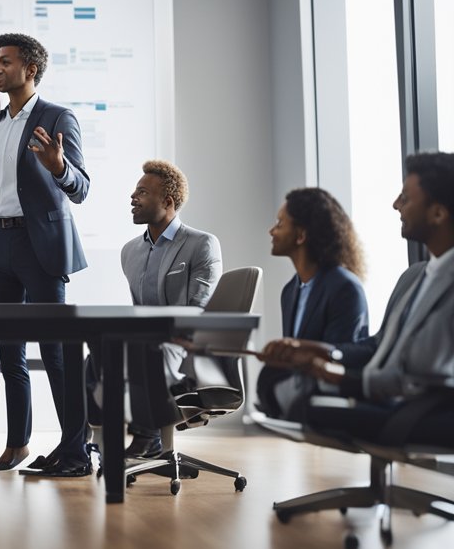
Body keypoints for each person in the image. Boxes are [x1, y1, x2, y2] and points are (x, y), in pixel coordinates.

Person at [0, 33, 91, 476]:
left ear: (31, 70)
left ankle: (77, 452)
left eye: (5, 62)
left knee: (56, 353)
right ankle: (18, 443)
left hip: (38, 247)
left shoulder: (57, 117)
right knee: (8, 352)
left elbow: (81, 188)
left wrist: (59, 167)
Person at [260, 152, 454, 444]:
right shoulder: (415, 277)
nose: (395, 204)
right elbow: (377, 344)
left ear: (438, 213)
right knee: (278, 383)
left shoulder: (346, 286)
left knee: (309, 409)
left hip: (426, 408)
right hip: (388, 393)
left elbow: (422, 378)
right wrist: (324, 353)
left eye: (405, 197)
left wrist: (344, 378)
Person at [95, 160, 222, 460]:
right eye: (135, 191)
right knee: (98, 355)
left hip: (185, 345)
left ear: (167, 202)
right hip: (147, 344)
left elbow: (198, 312)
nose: (132, 197)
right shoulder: (130, 251)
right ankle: (91, 441)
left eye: (142, 192)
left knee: (146, 351)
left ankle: (148, 436)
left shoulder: (201, 244)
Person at [256, 187, 369, 419]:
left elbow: (339, 360)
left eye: (280, 224)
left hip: (328, 402)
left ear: (300, 235)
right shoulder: (290, 291)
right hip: (297, 398)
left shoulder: (345, 288)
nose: (271, 231)